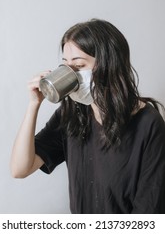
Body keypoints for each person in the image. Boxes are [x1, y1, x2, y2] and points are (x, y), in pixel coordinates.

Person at [10, 19, 165, 214]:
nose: (71, 75)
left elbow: (150, 211)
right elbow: (20, 169)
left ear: (109, 65)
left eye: (79, 66)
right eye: (65, 66)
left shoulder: (149, 125)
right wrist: (33, 105)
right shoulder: (71, 115)